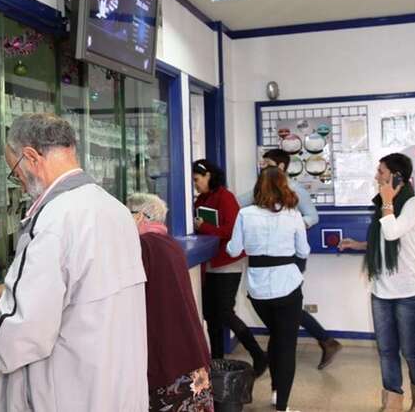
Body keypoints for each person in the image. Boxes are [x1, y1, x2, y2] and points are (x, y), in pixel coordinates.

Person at [0, 113, 148, 411]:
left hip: (70, 392)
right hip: (115, 388)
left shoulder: (54, 218)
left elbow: (24, 330)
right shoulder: (114, 208)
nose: (18, 180)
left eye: (14, 169)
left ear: (30, 156)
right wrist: (15, 285)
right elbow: (83, 282)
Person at [339, 153, 415, 412]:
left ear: (397, 176)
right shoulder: (384, 206)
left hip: (411, 291)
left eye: (381, 172)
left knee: (411, 351)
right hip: (381, 291)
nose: (377, 176)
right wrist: (358, 245)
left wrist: (388, 202)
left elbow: (392, 232)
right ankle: (392, 403)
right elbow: (383, 241)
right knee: (387, 351)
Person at [238, 149, 343, 369]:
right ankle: (324, 341)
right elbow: (237, 203)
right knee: (286, 306)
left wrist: (289, 228)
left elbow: (312, 217)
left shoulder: (296, 190)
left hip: (290, 254)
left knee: (287, 304)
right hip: (268, 259)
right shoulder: (261, 188)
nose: (262, 165)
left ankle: (281, 354)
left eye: (266, 162)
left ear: (281, 167)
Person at [226, 166, 310, 412]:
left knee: (277, 336)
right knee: (286, 344)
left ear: (258, 187)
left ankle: (275, 390)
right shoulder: (293, 215)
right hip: (288, 288)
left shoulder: (245, 214)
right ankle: (281, 404)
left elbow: (233, 249)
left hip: (258, 291)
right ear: (284, 186)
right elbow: (303, 251)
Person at [128, 192, 214, 412]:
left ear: (139, 217)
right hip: (191, 352)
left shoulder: (143, 246)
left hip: (170, 359)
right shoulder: (169, 243)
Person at [193, 159, 268, 376]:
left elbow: (231, 230)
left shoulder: (225, 197)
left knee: (224, 312)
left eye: (197, 180)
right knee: (210, 313)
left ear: (208, 176)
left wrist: (204, 226)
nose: (196, 184)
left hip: (228, 261)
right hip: (211, 262)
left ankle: (258, 354)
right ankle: (216, 363)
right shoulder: (202, 199)